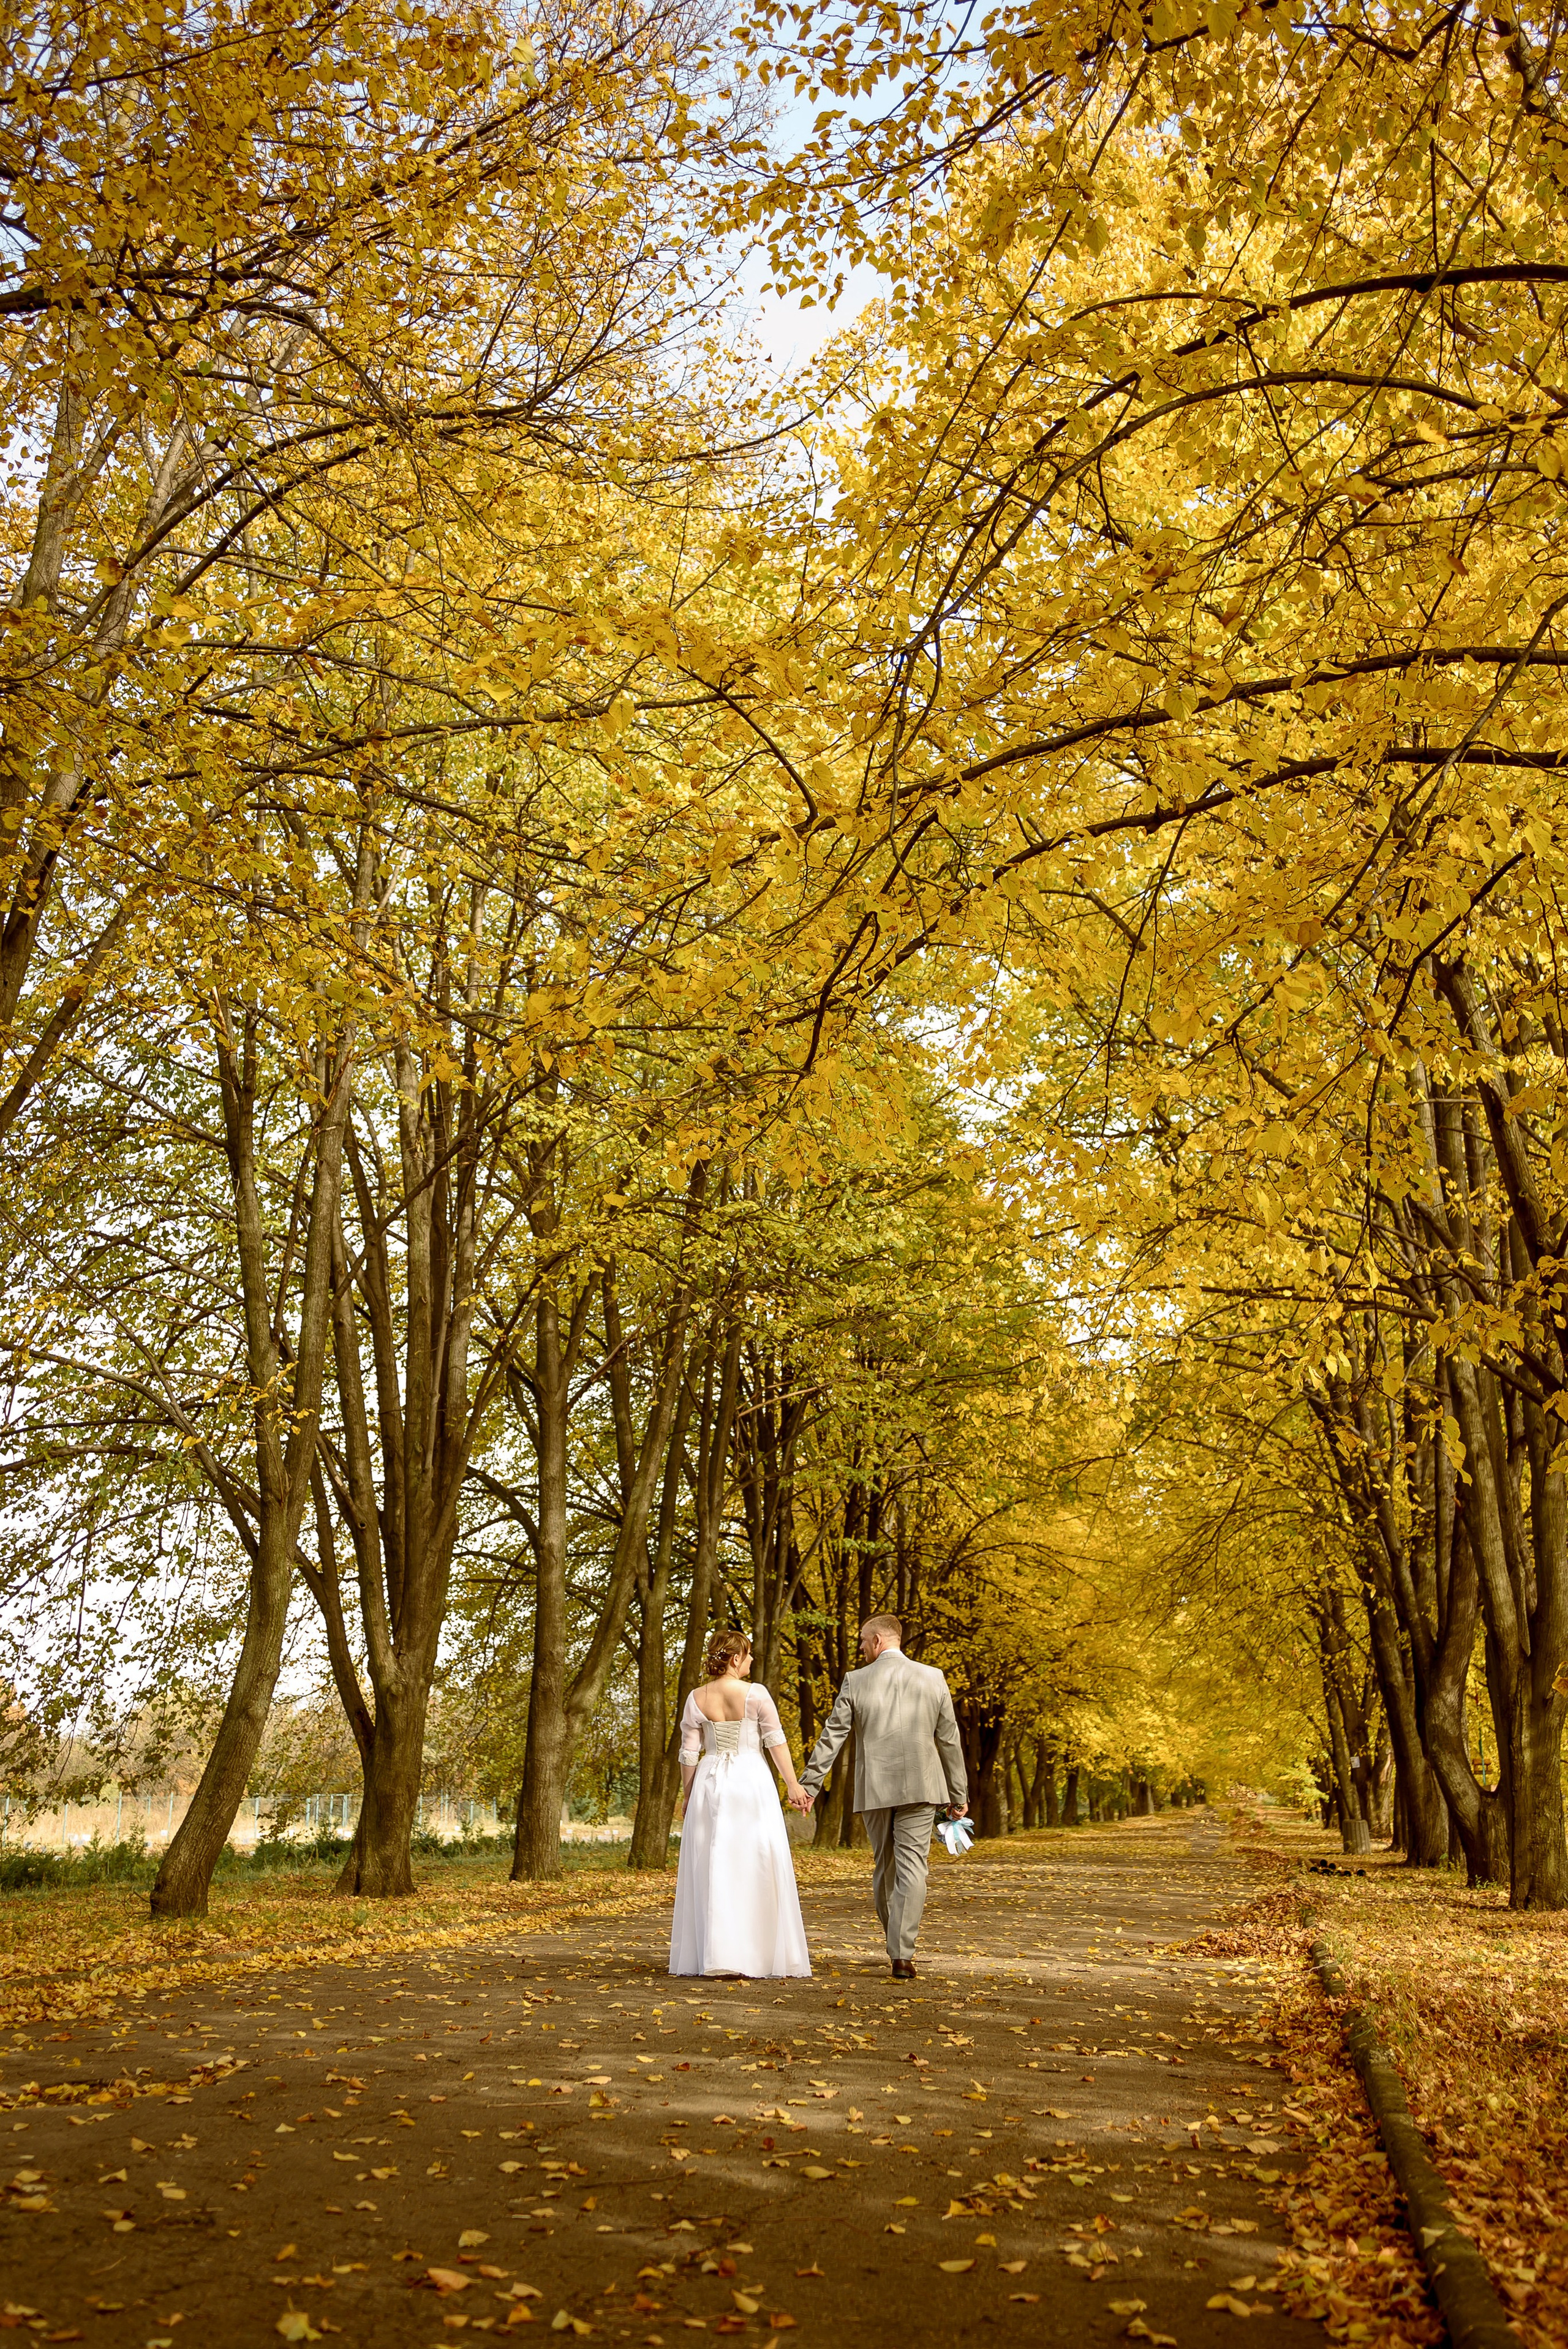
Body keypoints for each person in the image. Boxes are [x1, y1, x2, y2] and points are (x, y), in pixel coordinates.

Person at [791, 1614, 968, 1981]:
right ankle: (902, 1952)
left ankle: (898, 1946)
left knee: (886, 1867)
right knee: (912, 1867)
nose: (859, 1647)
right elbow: (949, 1738)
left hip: (875, 1786)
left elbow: (833, 1735)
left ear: (877, 1640)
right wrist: (958, 1792)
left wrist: (810, 1785)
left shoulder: (856, 1681)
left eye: (861, 1641)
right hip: (923, 1786)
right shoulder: (933, 1677)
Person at [669, 1628, 813, 1978]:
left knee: (713, 1861)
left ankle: (717, 1954)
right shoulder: (756, 1694)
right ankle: (756, 1954)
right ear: (735, 1659)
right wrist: (793, 1785)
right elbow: (776, 1741)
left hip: (710, 1780)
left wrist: (689, 1795)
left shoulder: (695, 1698)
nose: (751, 1661)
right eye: (748, 1655)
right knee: (756, 1860)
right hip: (750, 1780)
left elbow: (689, 1753)